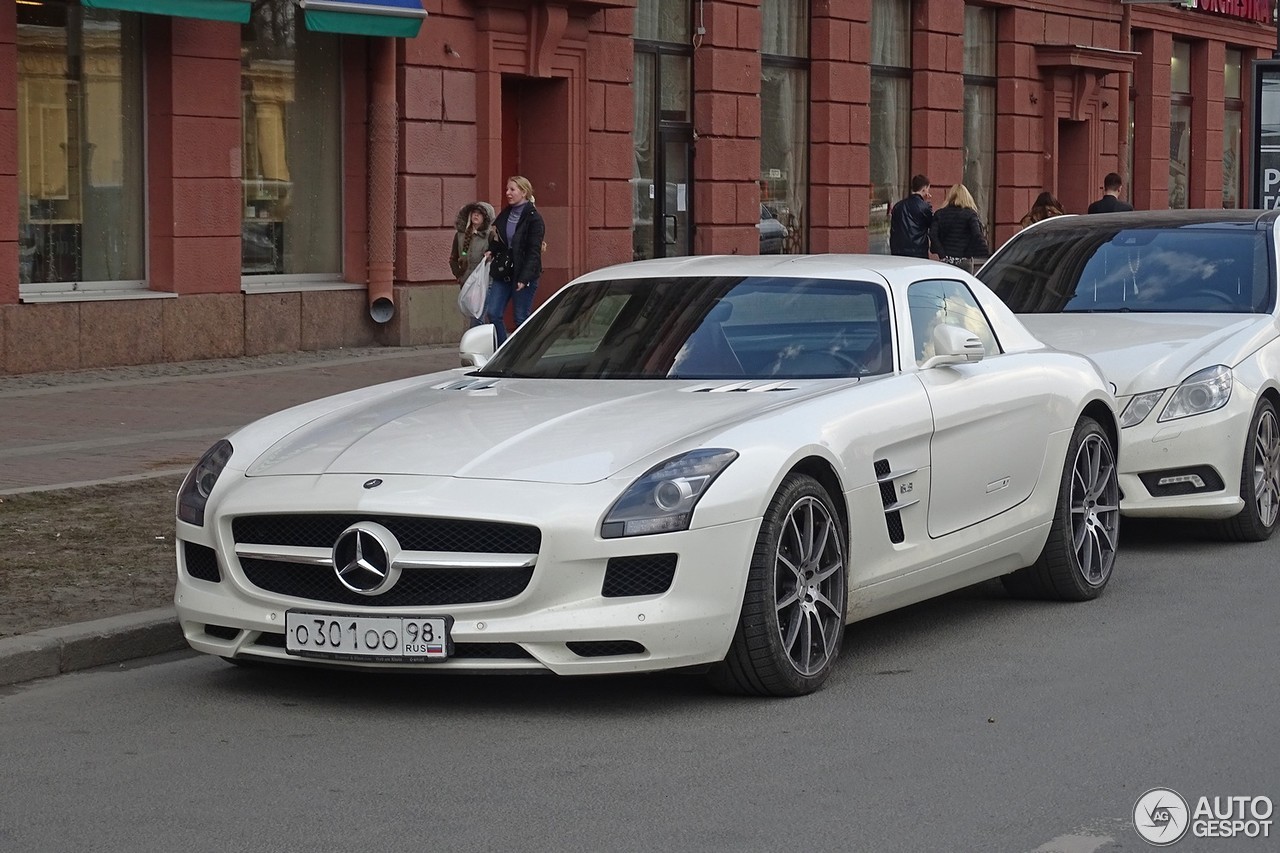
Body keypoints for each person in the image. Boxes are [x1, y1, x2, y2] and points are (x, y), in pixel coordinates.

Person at [486, 175, 545, 347]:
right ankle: (504, 348)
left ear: (524, 192)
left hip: (523, 275)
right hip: (503, 272)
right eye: (507, 189)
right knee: (494, 312)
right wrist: (491, 250)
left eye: (512, 189)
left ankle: (523, 351)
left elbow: (534, 252)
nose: (508, 193)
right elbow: (500, 239)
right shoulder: (506, 214)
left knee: (521, 317)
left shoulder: (534, 218)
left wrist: (524, 278)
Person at [449, 200, 496, 327]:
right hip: (467, 281)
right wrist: (459, 275)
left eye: (479, 214)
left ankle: (476, 343)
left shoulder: (490, 235)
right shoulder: (460, 235)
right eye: (474, 213)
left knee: (478, 316)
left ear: (485, 219)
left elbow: (496, 253)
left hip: (484, 282)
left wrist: (490, 255)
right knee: (472, 314)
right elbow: (453, 258)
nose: (475, 215)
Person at [929, 184, 990, 274]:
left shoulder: (940, 214)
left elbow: (933, 235)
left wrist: (942, 254)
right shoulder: (970, 214)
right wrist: (972, 253)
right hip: (964, 260)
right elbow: (976, 234)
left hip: (946, 260)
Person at [889, 174, 934, 258]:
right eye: (928, 189)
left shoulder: (898, 206)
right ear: (924, 189)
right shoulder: (924, 207)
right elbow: (932, 224)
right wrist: (927, 203)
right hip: (918, 250)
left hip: (898, 250)